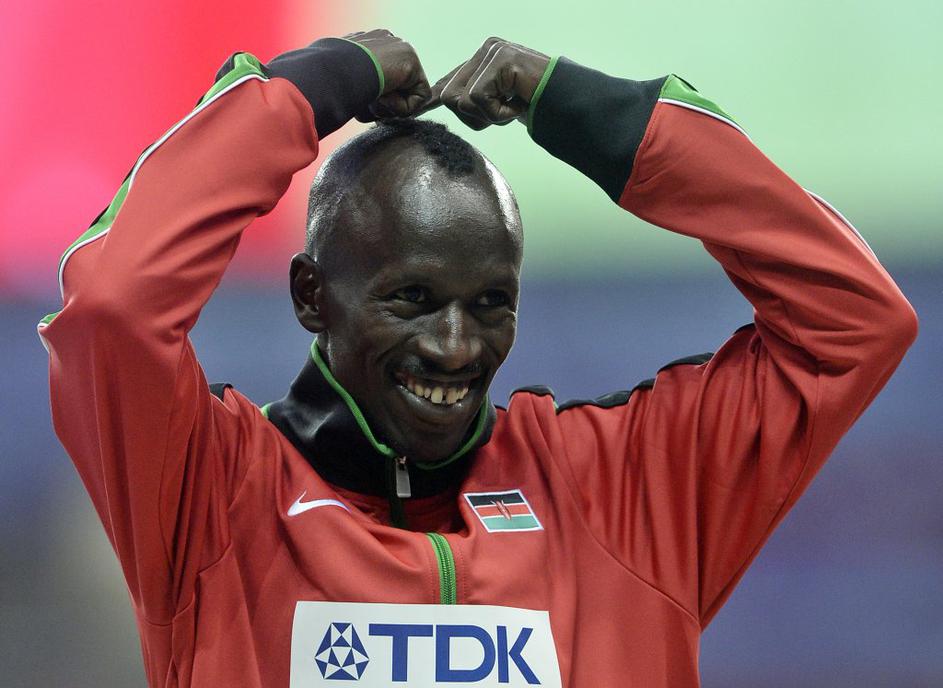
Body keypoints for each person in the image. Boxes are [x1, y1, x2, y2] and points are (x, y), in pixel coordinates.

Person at [39, 29, 917, 688]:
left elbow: (853, 321)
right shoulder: (208, 496)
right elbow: (113, 305)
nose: (456, 347)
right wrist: (310, 89)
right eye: (411, 299)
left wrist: (585, 114)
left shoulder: (623, 489)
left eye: (490, 303)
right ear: (312, 295)